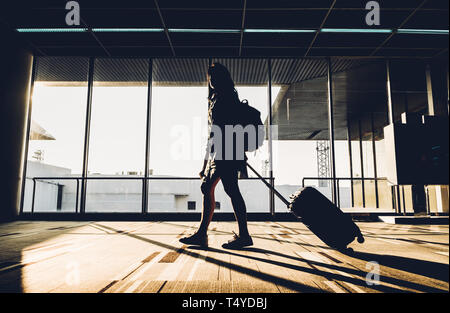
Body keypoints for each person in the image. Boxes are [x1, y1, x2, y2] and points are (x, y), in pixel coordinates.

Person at [180, 63, 253, 249]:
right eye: (209, 77)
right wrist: (206, 164)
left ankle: (240, 235)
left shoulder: (223, 99)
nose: (211, 80)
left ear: (221, 78)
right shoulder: (220, 99)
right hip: (223, 152)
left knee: (228, 190)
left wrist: (206, 163)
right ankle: (204, 234)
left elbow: (217, 132)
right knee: (211, 188)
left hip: (225, 153)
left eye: (214, 77)